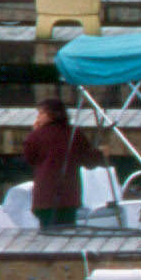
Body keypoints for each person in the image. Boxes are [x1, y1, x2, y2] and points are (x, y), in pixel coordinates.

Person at [24, 94, 95, 230]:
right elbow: (89, 161)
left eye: (40, 114)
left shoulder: (36, 136)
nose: (37, 118)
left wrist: (34, 132)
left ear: (50, 114)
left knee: (47, 233)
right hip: (69, 196)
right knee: (68, 232)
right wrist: (101, 154)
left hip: (45, 197)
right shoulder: (75, 134)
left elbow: (30, 158)